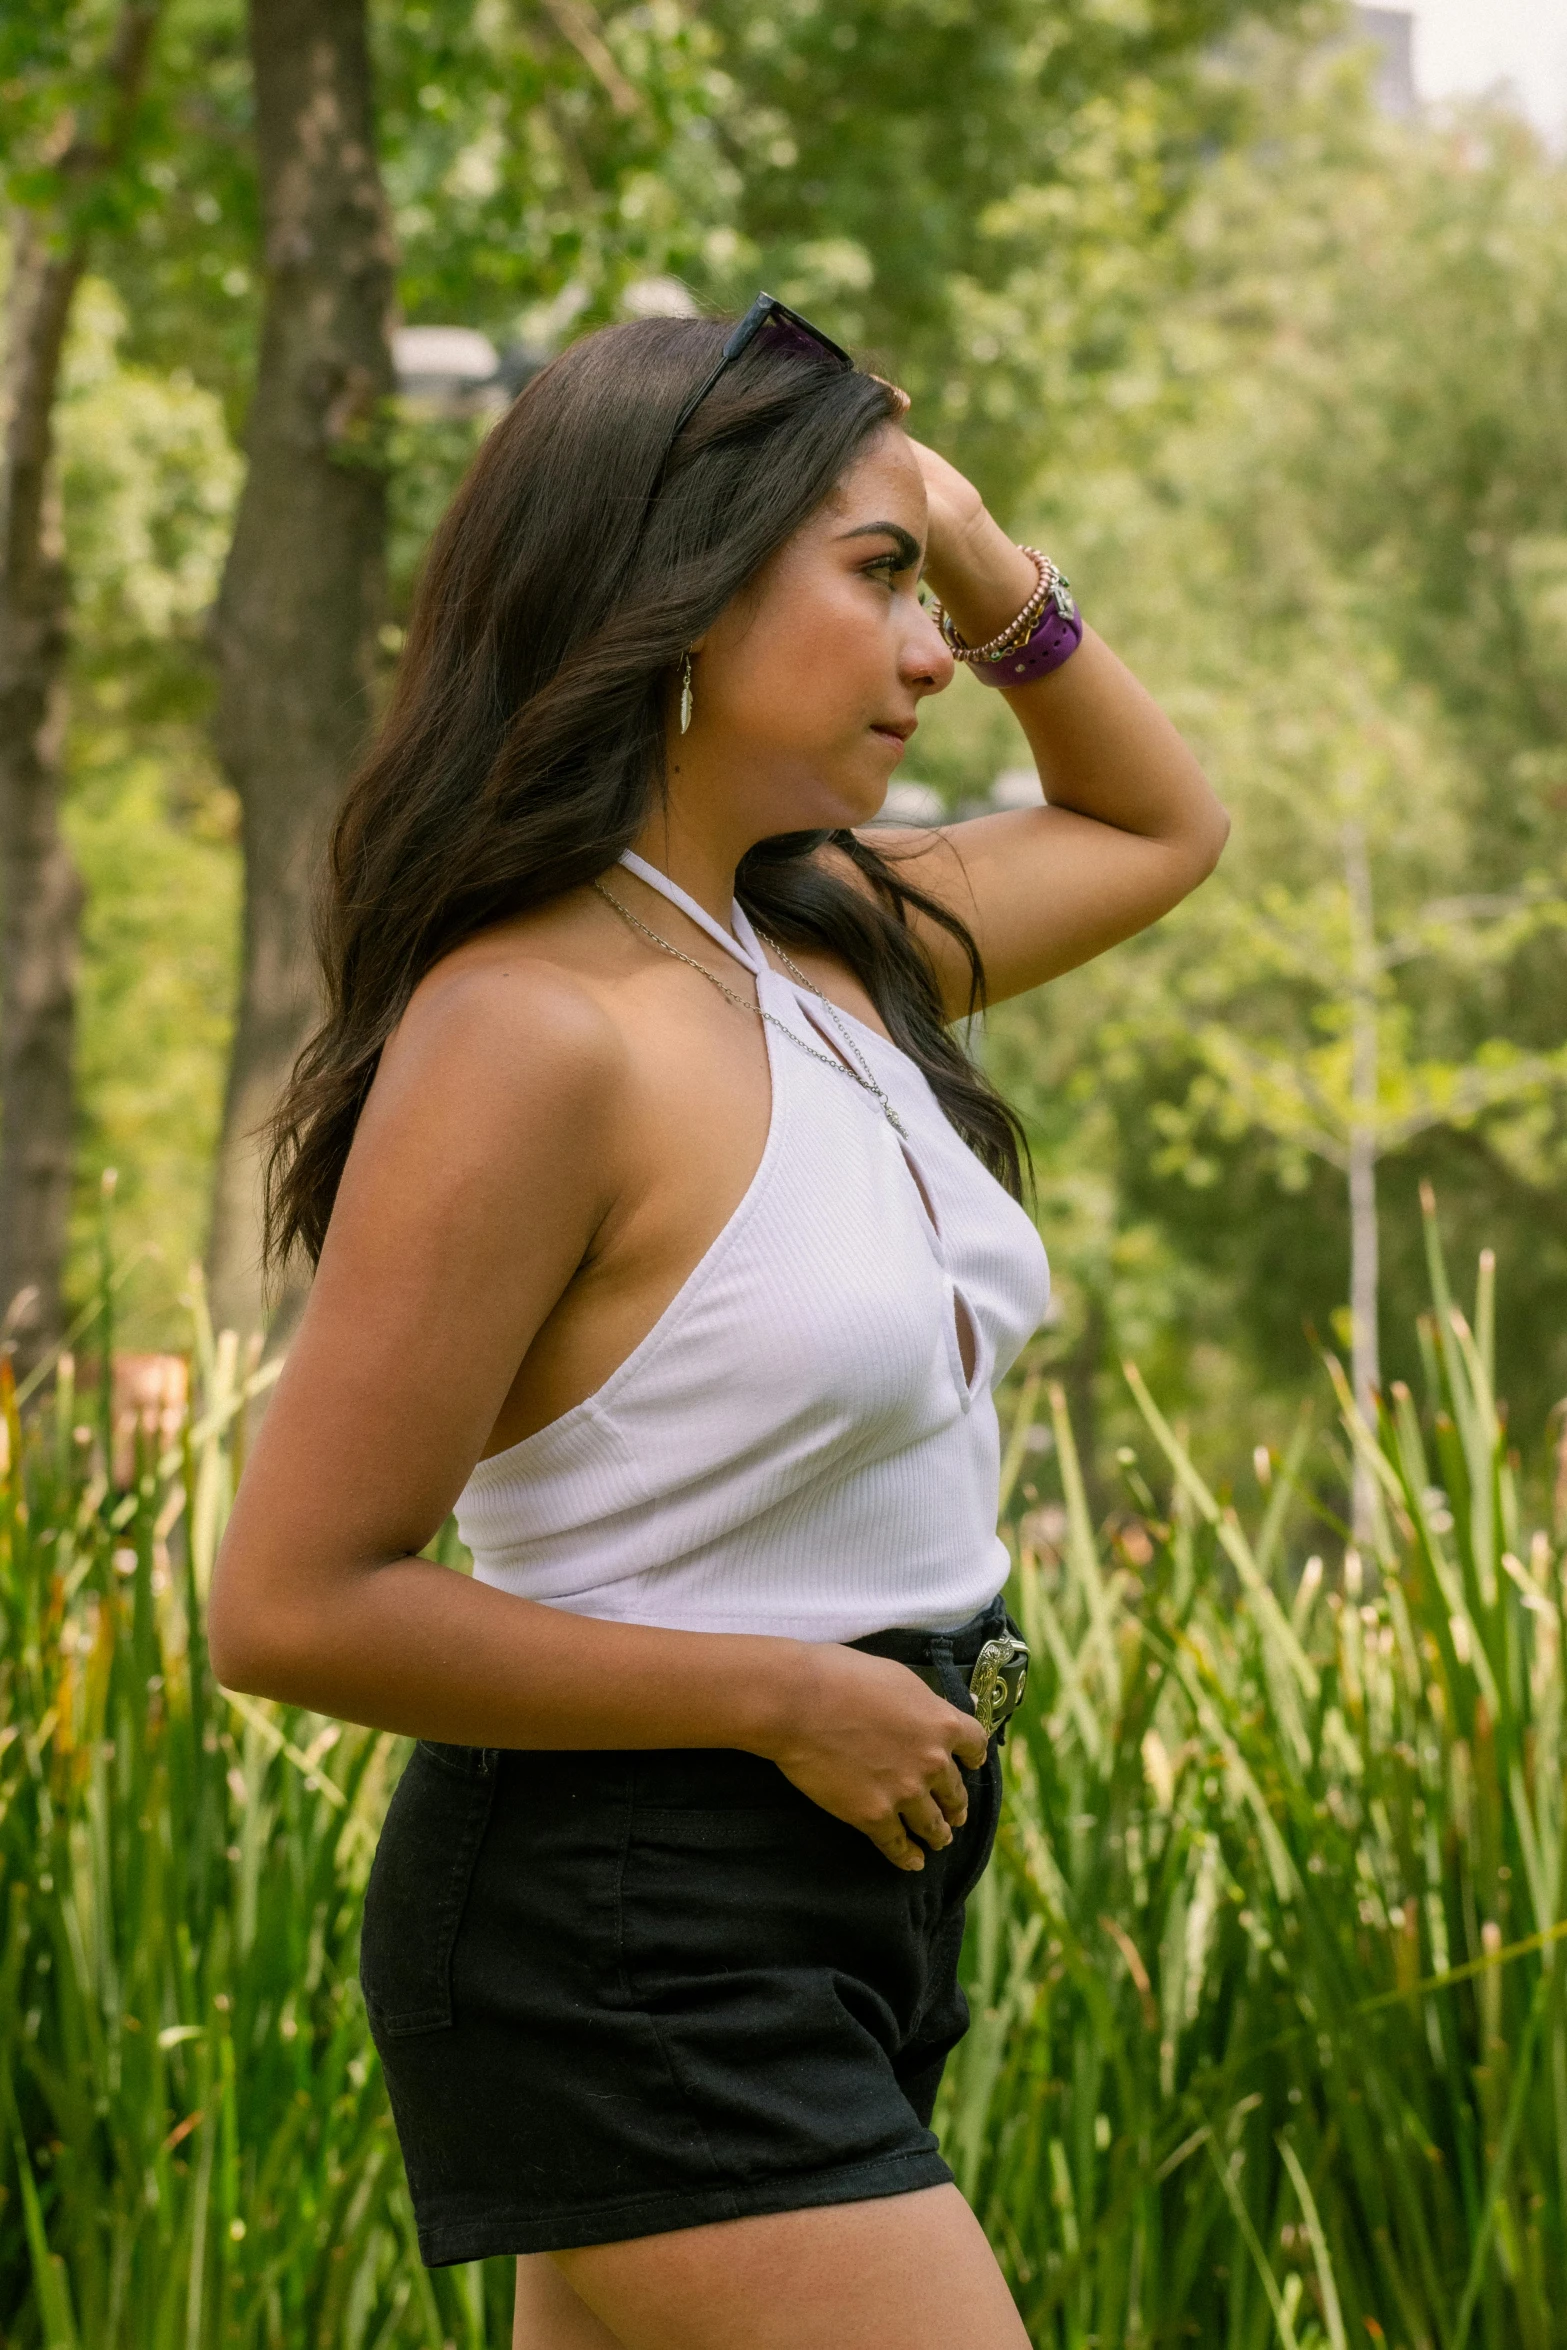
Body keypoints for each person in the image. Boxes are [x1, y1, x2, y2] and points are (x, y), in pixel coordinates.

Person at [209, 295, 1228, 2350]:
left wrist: (957, 516)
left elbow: (1159, 825)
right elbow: (290, 1602)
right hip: (635, 1913)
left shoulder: (828, 933)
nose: (936, 645)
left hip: (849, 1884)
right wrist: (781, 1696)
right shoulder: (532, 1030)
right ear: (677, 591)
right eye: (877, 582)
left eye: (926, 588)